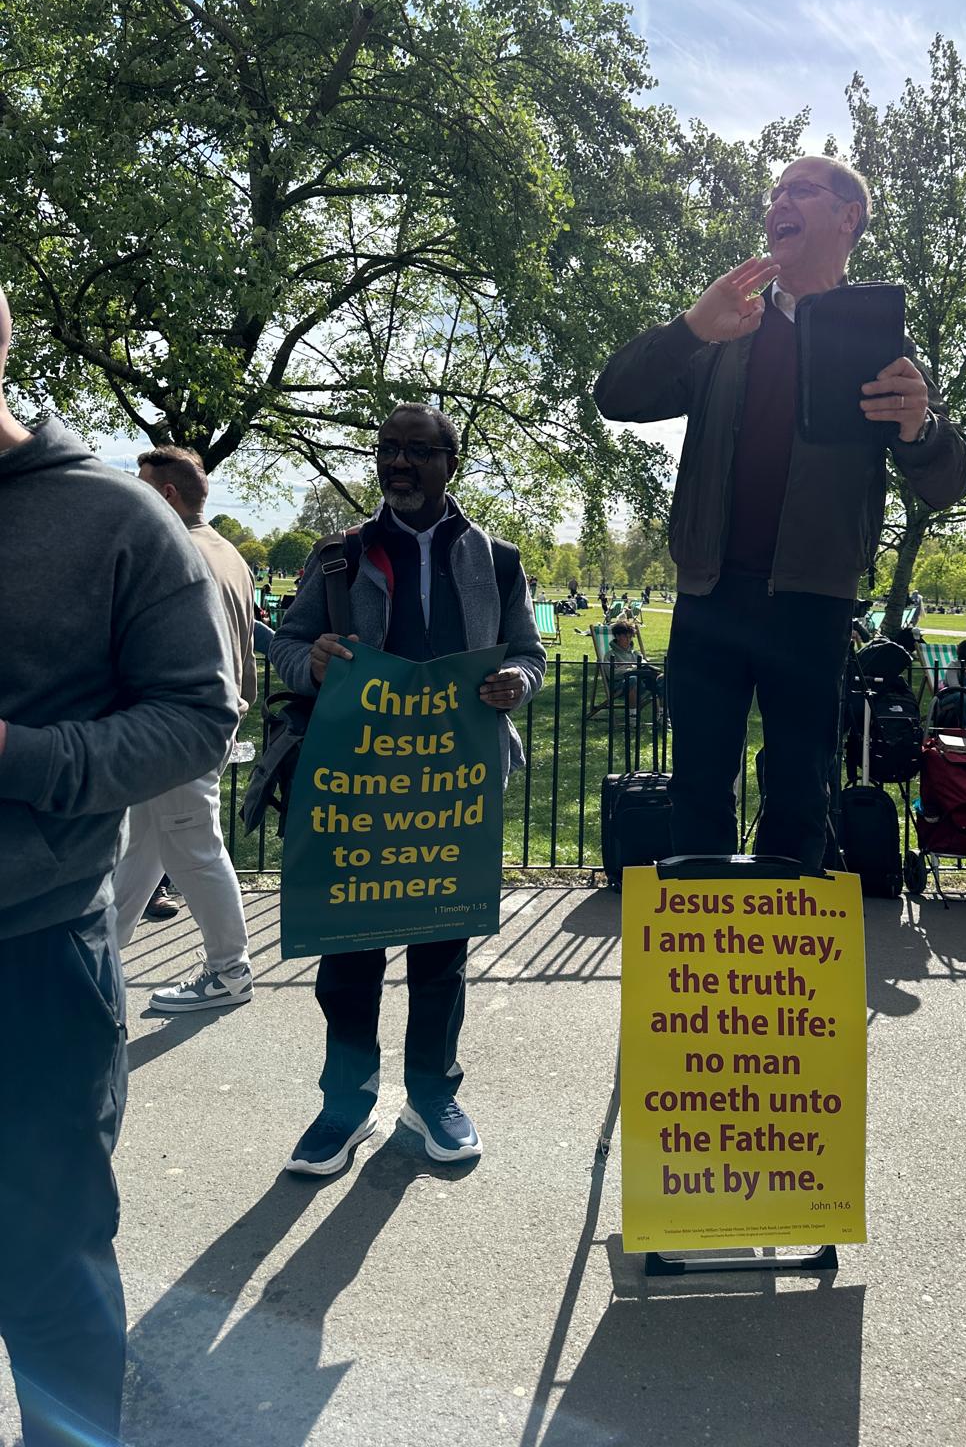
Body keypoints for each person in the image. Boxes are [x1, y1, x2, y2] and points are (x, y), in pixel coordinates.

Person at [0, 289, 236, 1447]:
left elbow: (199, 719)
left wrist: (20, 756)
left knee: (48, 1273)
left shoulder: (114, 519)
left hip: (33, 955)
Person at [595, 154, 966, 870]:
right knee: (697, 794)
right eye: (773, 194)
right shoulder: (727, 328)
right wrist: (690, 327)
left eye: (799, 190)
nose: (777, 204)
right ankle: (704, 942)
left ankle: (785, 940)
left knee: (801, 797)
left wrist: (919, 427)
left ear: (848, 217)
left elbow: (948, 482)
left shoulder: (879, 345)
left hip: (813, 607)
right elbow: (615, 396)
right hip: (709, 599)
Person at [269, 402, 546, 1177]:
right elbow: (286, 644)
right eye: (387, 448)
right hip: (356, 790)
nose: (398, 462)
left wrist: (516, 681)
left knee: (440, 955)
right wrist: (311, 661)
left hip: (454, 791)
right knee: (348, 958)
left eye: (418, 451)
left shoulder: (499, 560)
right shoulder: (338, 556)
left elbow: (529, 653)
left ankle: (431, 1096)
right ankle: (346, 1104)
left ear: (451, 462)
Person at [112, 446, 258, 1010]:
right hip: (207, 723)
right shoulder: (229, 554)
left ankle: (229, 971)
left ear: (167, 494)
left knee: (194, 850)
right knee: (144, 846)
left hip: (177, 730)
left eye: (142, 485)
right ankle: (99, 955)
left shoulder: (173, 554)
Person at [606, 620, 663, 705]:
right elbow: (612, 674)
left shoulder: (635, 654)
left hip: (641, 682)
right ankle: (632, 712)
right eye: (625, 637)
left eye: (630, 637)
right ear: (617, 636)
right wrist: (632, 669)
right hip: (620, 685)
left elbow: (644, 665)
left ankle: (662, 711)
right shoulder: (610, 655)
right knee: (633, 679)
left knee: (662, 678)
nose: (628, 640)